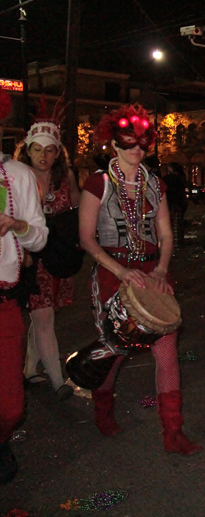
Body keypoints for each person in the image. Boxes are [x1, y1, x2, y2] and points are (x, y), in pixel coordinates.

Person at [79, 104, 201, 455]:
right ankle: (103, 408)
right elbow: (87, 238)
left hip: (152, 275)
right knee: (116, 351)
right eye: (128, 141)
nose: (136, 148)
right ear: (113, 143)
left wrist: (161, 270)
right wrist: (120, 272)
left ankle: (173, 432)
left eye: (142, 142)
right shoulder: (97, 183)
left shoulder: (155, 184)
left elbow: (165, 233)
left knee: (167, 356)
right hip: (113, 274)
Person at [15, 101, 80, 399]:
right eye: (37, 149)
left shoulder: (65, 178)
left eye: (50, 149)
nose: (43, 156)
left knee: (43, 314)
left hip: (58, 255)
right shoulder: (16, 178)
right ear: (27, 150)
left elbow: (79, 210)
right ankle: (57, 380)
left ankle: (29, 369)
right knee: (43, 318)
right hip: (29, 258)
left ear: (58, 152)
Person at [0, 88, 49, 484]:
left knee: (11, 408)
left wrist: (17, 225)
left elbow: (39, 238)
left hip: (4, 299)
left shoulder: (16, 175)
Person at [162, 162, 188, 248]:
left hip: (172, 202)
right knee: (178, 222)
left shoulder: (169, 178)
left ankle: (174, 242)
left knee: (172, 223)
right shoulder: (181, 177)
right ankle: (179, 241)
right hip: (179, 202)